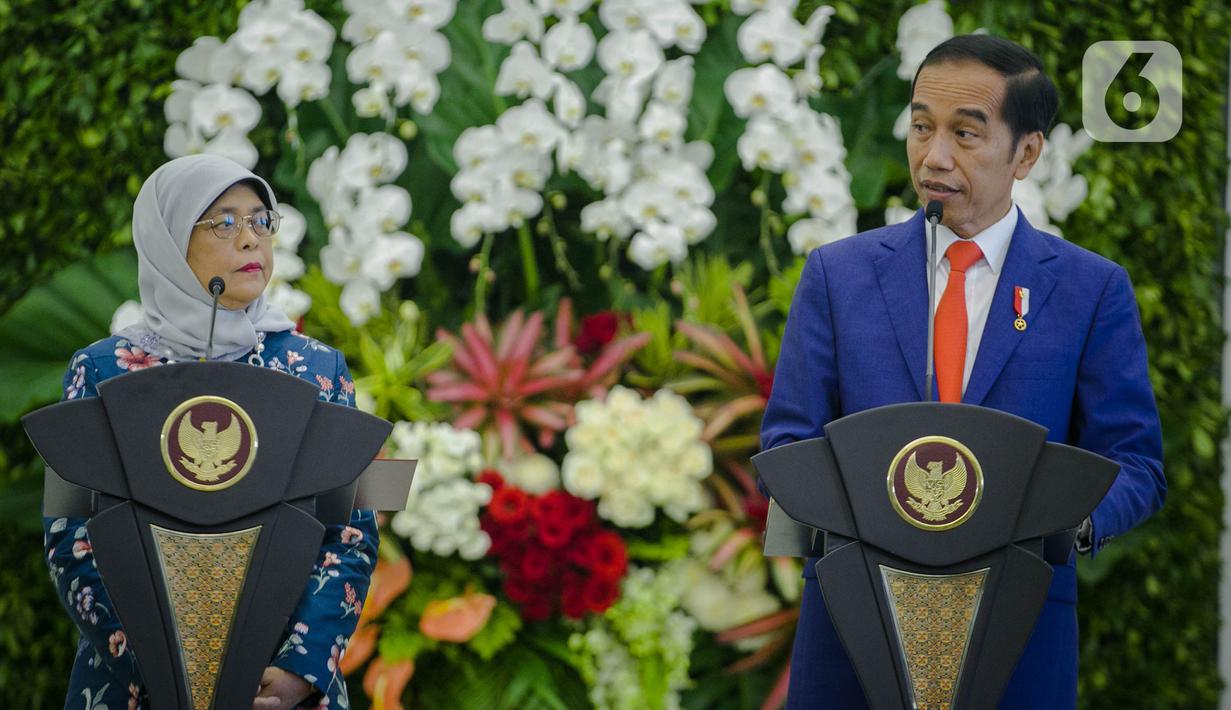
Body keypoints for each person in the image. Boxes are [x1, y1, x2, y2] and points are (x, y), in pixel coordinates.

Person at [760, 35, 1165, 709]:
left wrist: (1065, 522)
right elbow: (787, 445)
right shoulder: (838, 275)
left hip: (1019, 632)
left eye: (964, 134)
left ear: (1026, 153)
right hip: (852, 637)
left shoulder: (1090, 290)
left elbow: (1134, 463)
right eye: (920, 128)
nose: (934, 157)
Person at [44, 154, 378, 710]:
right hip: (136, 689)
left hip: (284, 693)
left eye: (261, 221)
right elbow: (71, 535)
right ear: (169, 241)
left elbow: (351, 530)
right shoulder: (100, 373)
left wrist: (299, 670)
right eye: (224, 221)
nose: (251, 240)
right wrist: (163, 670)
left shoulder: (319, 371)